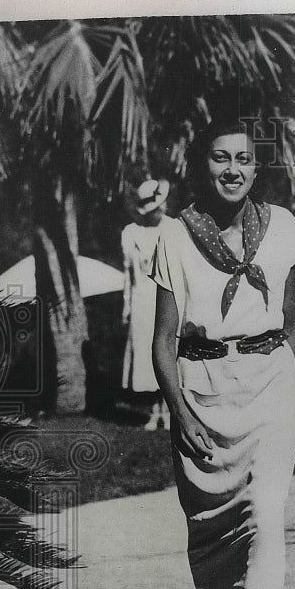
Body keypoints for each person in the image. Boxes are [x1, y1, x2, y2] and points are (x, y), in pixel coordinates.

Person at [150, 115, 295, 589]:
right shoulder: (173, 236)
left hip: (270, 381)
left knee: (266, 519)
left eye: (243, 159)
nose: (233, 170)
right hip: (203, 387)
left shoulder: (283, 229)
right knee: (211, 527)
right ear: (202, 165)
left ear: (257, 167)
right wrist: (180, 412)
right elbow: (163, 342)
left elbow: (293, 320)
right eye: (220, 158)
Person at [121, 178, 173, 430]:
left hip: (168, 298)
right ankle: (154, 411)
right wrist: (127, 306)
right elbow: (128, 274)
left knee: (170, 351)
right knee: (146, 355)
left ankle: (170, 410)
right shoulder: (131, 232)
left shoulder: (174, 229)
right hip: (142, 300)